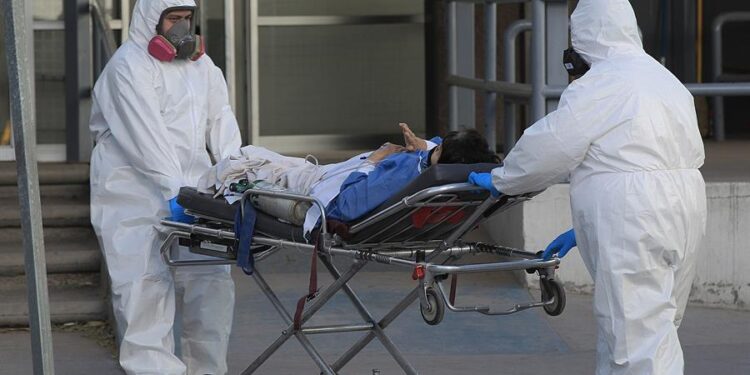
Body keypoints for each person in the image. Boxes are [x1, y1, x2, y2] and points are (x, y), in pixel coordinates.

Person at [468, 0, 706, 374]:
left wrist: (502, 181)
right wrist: (585, 228)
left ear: (585, 37)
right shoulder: (664, 78)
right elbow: (645, 162)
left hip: (632, 213)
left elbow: (550, 148)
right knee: (656, 324)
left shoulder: (601, 83)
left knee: (635, 338)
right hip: (684, 206)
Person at [89, 1, 241, 374]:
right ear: (149, 20)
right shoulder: (128, 67)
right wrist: (176, 191)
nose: (181, 28)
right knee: (144, 293)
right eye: (173, 19)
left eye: (187, 19)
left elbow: (221, 121)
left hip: (194, 192)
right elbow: (145, 139)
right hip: (133, 195)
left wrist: (235, 177)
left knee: (210, 286)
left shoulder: (200, 66)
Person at [198, 123, 499, 235]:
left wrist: (374, 160)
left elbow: (344, 207)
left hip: (317, 193)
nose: (433, 145)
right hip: (325, 176)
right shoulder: (447, 178)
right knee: (259, 155)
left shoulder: (403, 177)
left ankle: (187, 206)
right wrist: (426, 147)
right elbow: (438, 154)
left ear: (443, 157)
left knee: (242, 162)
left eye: (439, 147)